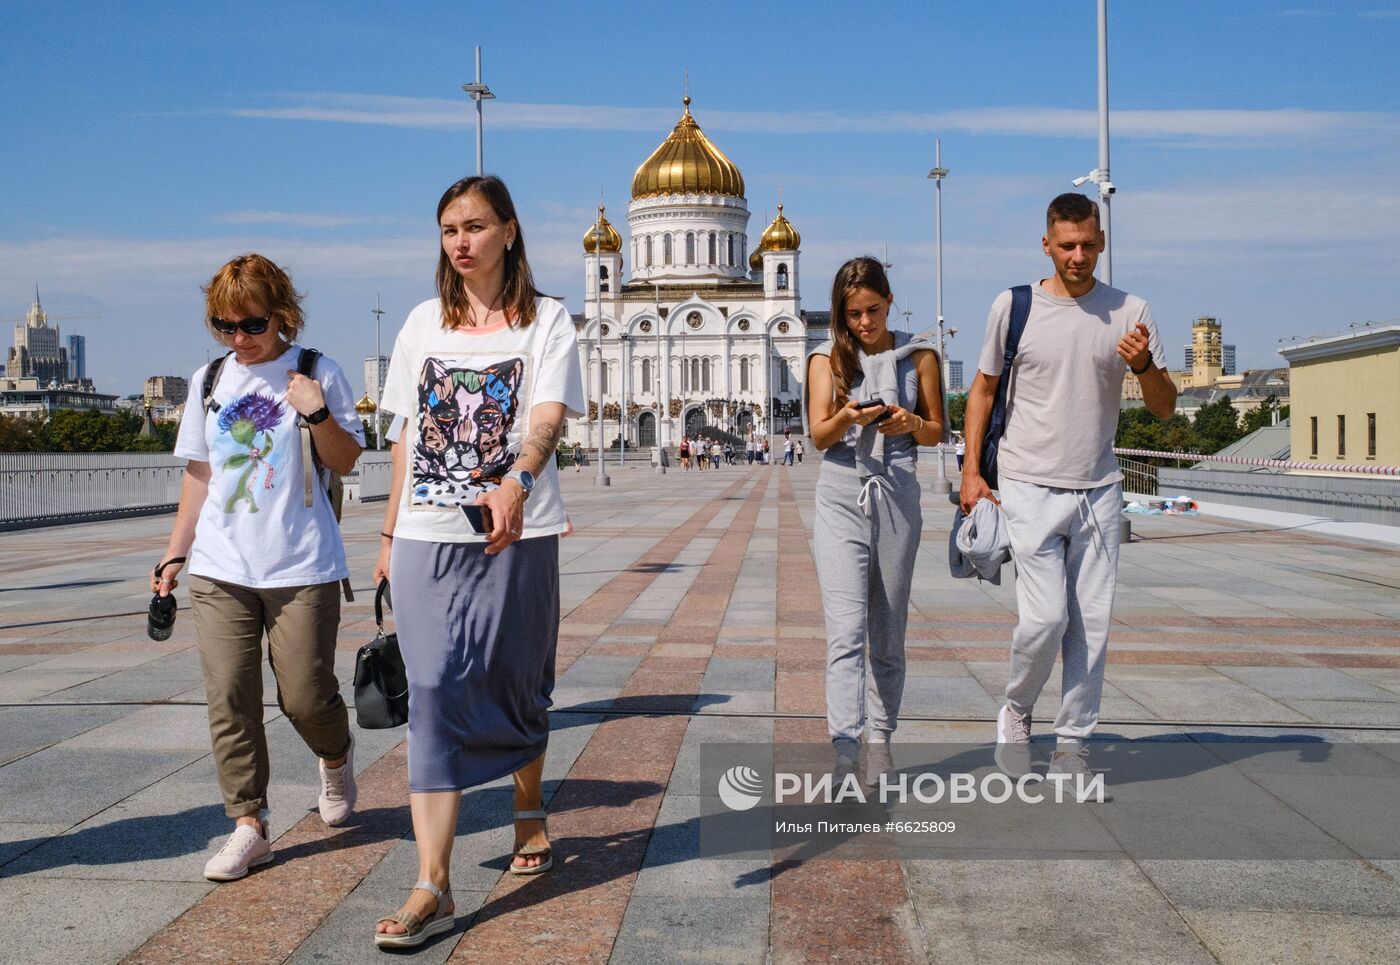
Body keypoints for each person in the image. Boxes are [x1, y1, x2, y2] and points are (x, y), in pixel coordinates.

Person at [372, 175, 584, 948]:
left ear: (510, 231)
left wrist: (518, 480)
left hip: (515, 530)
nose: (460, 241)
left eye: (474, 225)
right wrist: (391, 535)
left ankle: (528, 803)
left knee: (517, 680)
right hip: (430, 530)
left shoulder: (548, 321)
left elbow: (548, 416)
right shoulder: (423, 323)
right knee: (429, 692)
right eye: (447, 229)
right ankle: (435, 881)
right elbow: (403, 436)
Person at [155, 253, 364, 882]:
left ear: (283, 316)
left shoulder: (317, 371)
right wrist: (174, 552)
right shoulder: (209, 380)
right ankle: (250, 824)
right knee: (229, 697)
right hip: (220, 567)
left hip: (301, 564)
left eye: (252, 325)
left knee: (304, 695)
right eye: (224, 326)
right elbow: (200, 474)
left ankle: (335, 751)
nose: (239, 339)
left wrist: (317, 412)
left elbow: (348, 461)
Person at [961, 193, 1175, 792]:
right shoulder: (1015, 306)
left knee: (1092, 627)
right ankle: (1018, 709)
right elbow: (981, 390)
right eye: (1066, 245)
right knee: (1045, 618)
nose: (1078, 255)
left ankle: (1074, 742)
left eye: (1087, 244)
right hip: (1027, 484)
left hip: (1098, 490)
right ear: (1047, 245)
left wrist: (1144, 367)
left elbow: (1163, 409)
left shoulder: (1131, 311)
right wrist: (972, 472)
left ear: (1101, 242)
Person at [805, 256, 944, 783]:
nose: (864, 323)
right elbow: (819, 437)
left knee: (888, 628)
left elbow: (936, 431)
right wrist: (847, 415)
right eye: (853, 314)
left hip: (897, 490)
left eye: (873, 310)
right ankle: (845, 746)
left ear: (889, 301)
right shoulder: (826, 358)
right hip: (840, 492)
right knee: (845, 629)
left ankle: (880, 738)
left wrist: (910, 421)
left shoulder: (920, 354)